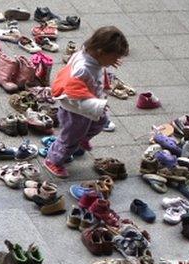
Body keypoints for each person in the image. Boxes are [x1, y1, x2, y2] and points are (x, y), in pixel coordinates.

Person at [44, 26, 129, 178]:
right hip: (75, 110)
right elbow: (73, 94)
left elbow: (97, 73)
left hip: (87, 105)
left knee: (100, 122)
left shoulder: (91, 57)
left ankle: (81, 139)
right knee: (69, 138)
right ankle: (54, 160)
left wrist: (106, 71)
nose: (116, 61)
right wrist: (97, 105)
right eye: (114, 57)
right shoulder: (83, 69)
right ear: (101, 52)